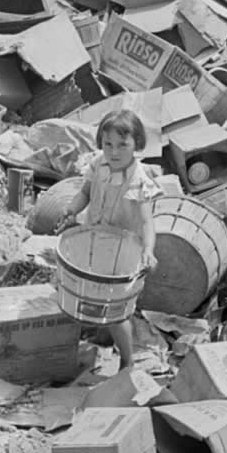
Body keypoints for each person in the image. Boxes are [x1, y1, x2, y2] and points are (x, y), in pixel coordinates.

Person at [57, 110, 162, 370]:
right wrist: (70, 210)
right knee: (85, 290)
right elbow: (85, 192)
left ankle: (127, 361)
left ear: (136, 145)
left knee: (115, 310)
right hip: (94, 239)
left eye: (122, 145)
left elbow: (148, 222)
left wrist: (149, 251)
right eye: (108, 145)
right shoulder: (97, 164)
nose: (114, 152)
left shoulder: (139, 181)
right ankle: (89, 335)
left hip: (121, 251)